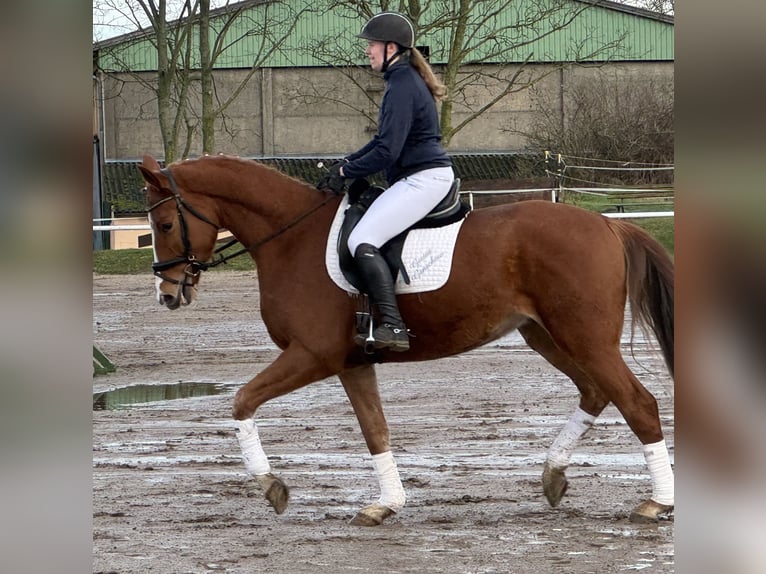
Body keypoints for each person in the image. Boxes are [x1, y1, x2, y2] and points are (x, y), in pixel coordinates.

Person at [323, 12, 454, 352]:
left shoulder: (401, 85)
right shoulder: (403, 81)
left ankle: (394, 326)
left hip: (423, 178)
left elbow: (386, 150)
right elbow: (381, 142)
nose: (367, 51)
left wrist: (344, 172)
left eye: (372, 45)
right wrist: (347, 163)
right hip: (415, 176)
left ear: (390, 48)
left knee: (362, 238)